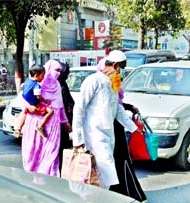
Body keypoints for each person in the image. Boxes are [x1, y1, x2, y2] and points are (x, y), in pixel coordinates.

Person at [71, 50, 143, 190]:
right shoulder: (93, 81)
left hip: (108, 134)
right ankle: (99, 202)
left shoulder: (112, 84)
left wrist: (134, 128)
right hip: (92, 134)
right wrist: (77, 139)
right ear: (115, 66)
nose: (120, 73)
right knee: (105, 170)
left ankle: (99, 201)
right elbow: (79, 109)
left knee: (104, 172)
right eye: (120, 69)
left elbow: (118, 110)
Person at [21, 59, 70, 177]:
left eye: (60, 71)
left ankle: (49, 176)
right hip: (35, 122)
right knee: (34, 150)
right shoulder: (37, 83)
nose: (58, 73)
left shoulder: (57, 85)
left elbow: (60, 106)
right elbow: (24, 100)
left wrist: (65, 121)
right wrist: (28, 106)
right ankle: (31, 175)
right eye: (56, 70)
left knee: (51, 151)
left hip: (53, 124)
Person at [13, 64, 53, 139]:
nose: (43, 78)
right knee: (51, 111)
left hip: (27, 104)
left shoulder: (27, 82)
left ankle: (18, 128)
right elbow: (38, 96)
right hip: (35, 104)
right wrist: (45, 100)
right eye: (42, 76)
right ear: (36, 75)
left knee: (24, 114)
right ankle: (40, 127)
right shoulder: (36, 85)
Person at [57, 61, 75, 168]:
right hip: (58, 121)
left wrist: (71, 106)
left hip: (66, 120)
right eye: (65, 74)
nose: (67, 76)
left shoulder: (63, 84)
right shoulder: (54, 84)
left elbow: (69, 100)